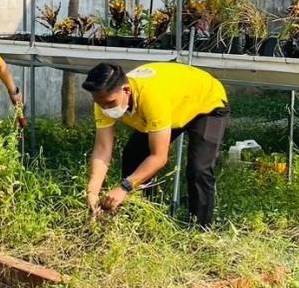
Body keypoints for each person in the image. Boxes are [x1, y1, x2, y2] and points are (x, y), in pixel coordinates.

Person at [82, 61, 229, 226]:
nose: (106, 108)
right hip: (172, 106)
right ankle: (140, 218)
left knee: (198, 168)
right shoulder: (103, 101)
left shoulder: (151, 97)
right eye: (101, 104)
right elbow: (103, 149)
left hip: (207, 101)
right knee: (134, 154)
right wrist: (92, 191)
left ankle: (201, 230)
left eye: (110, 103)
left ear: (126, 90)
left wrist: (124, 187)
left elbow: (159, 157)